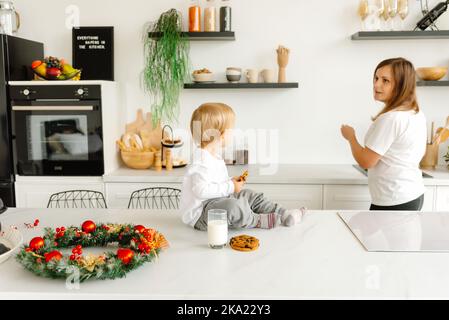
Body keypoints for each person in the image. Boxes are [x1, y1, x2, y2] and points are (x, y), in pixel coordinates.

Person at [180, 102, 305, 231]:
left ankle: (284, 213)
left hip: (218, 200)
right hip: (201, 214)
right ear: (220, 135)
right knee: (233, 206)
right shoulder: (201, 159)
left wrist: (231, 181)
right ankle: (257, 220)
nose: (233, 133)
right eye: (231, 130)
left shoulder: (213, 156)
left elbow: (215, 183)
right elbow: (201, 190)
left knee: (249, 195)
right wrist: (231, 186)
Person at [341, 57, 427, 211]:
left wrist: (351, 137)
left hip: (394, 200)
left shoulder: (391, 119)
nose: (376, 84)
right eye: (376, 78)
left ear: (401, 85)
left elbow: (366, 162)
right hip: (411, 195)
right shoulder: (415, 112)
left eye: (385, 80)